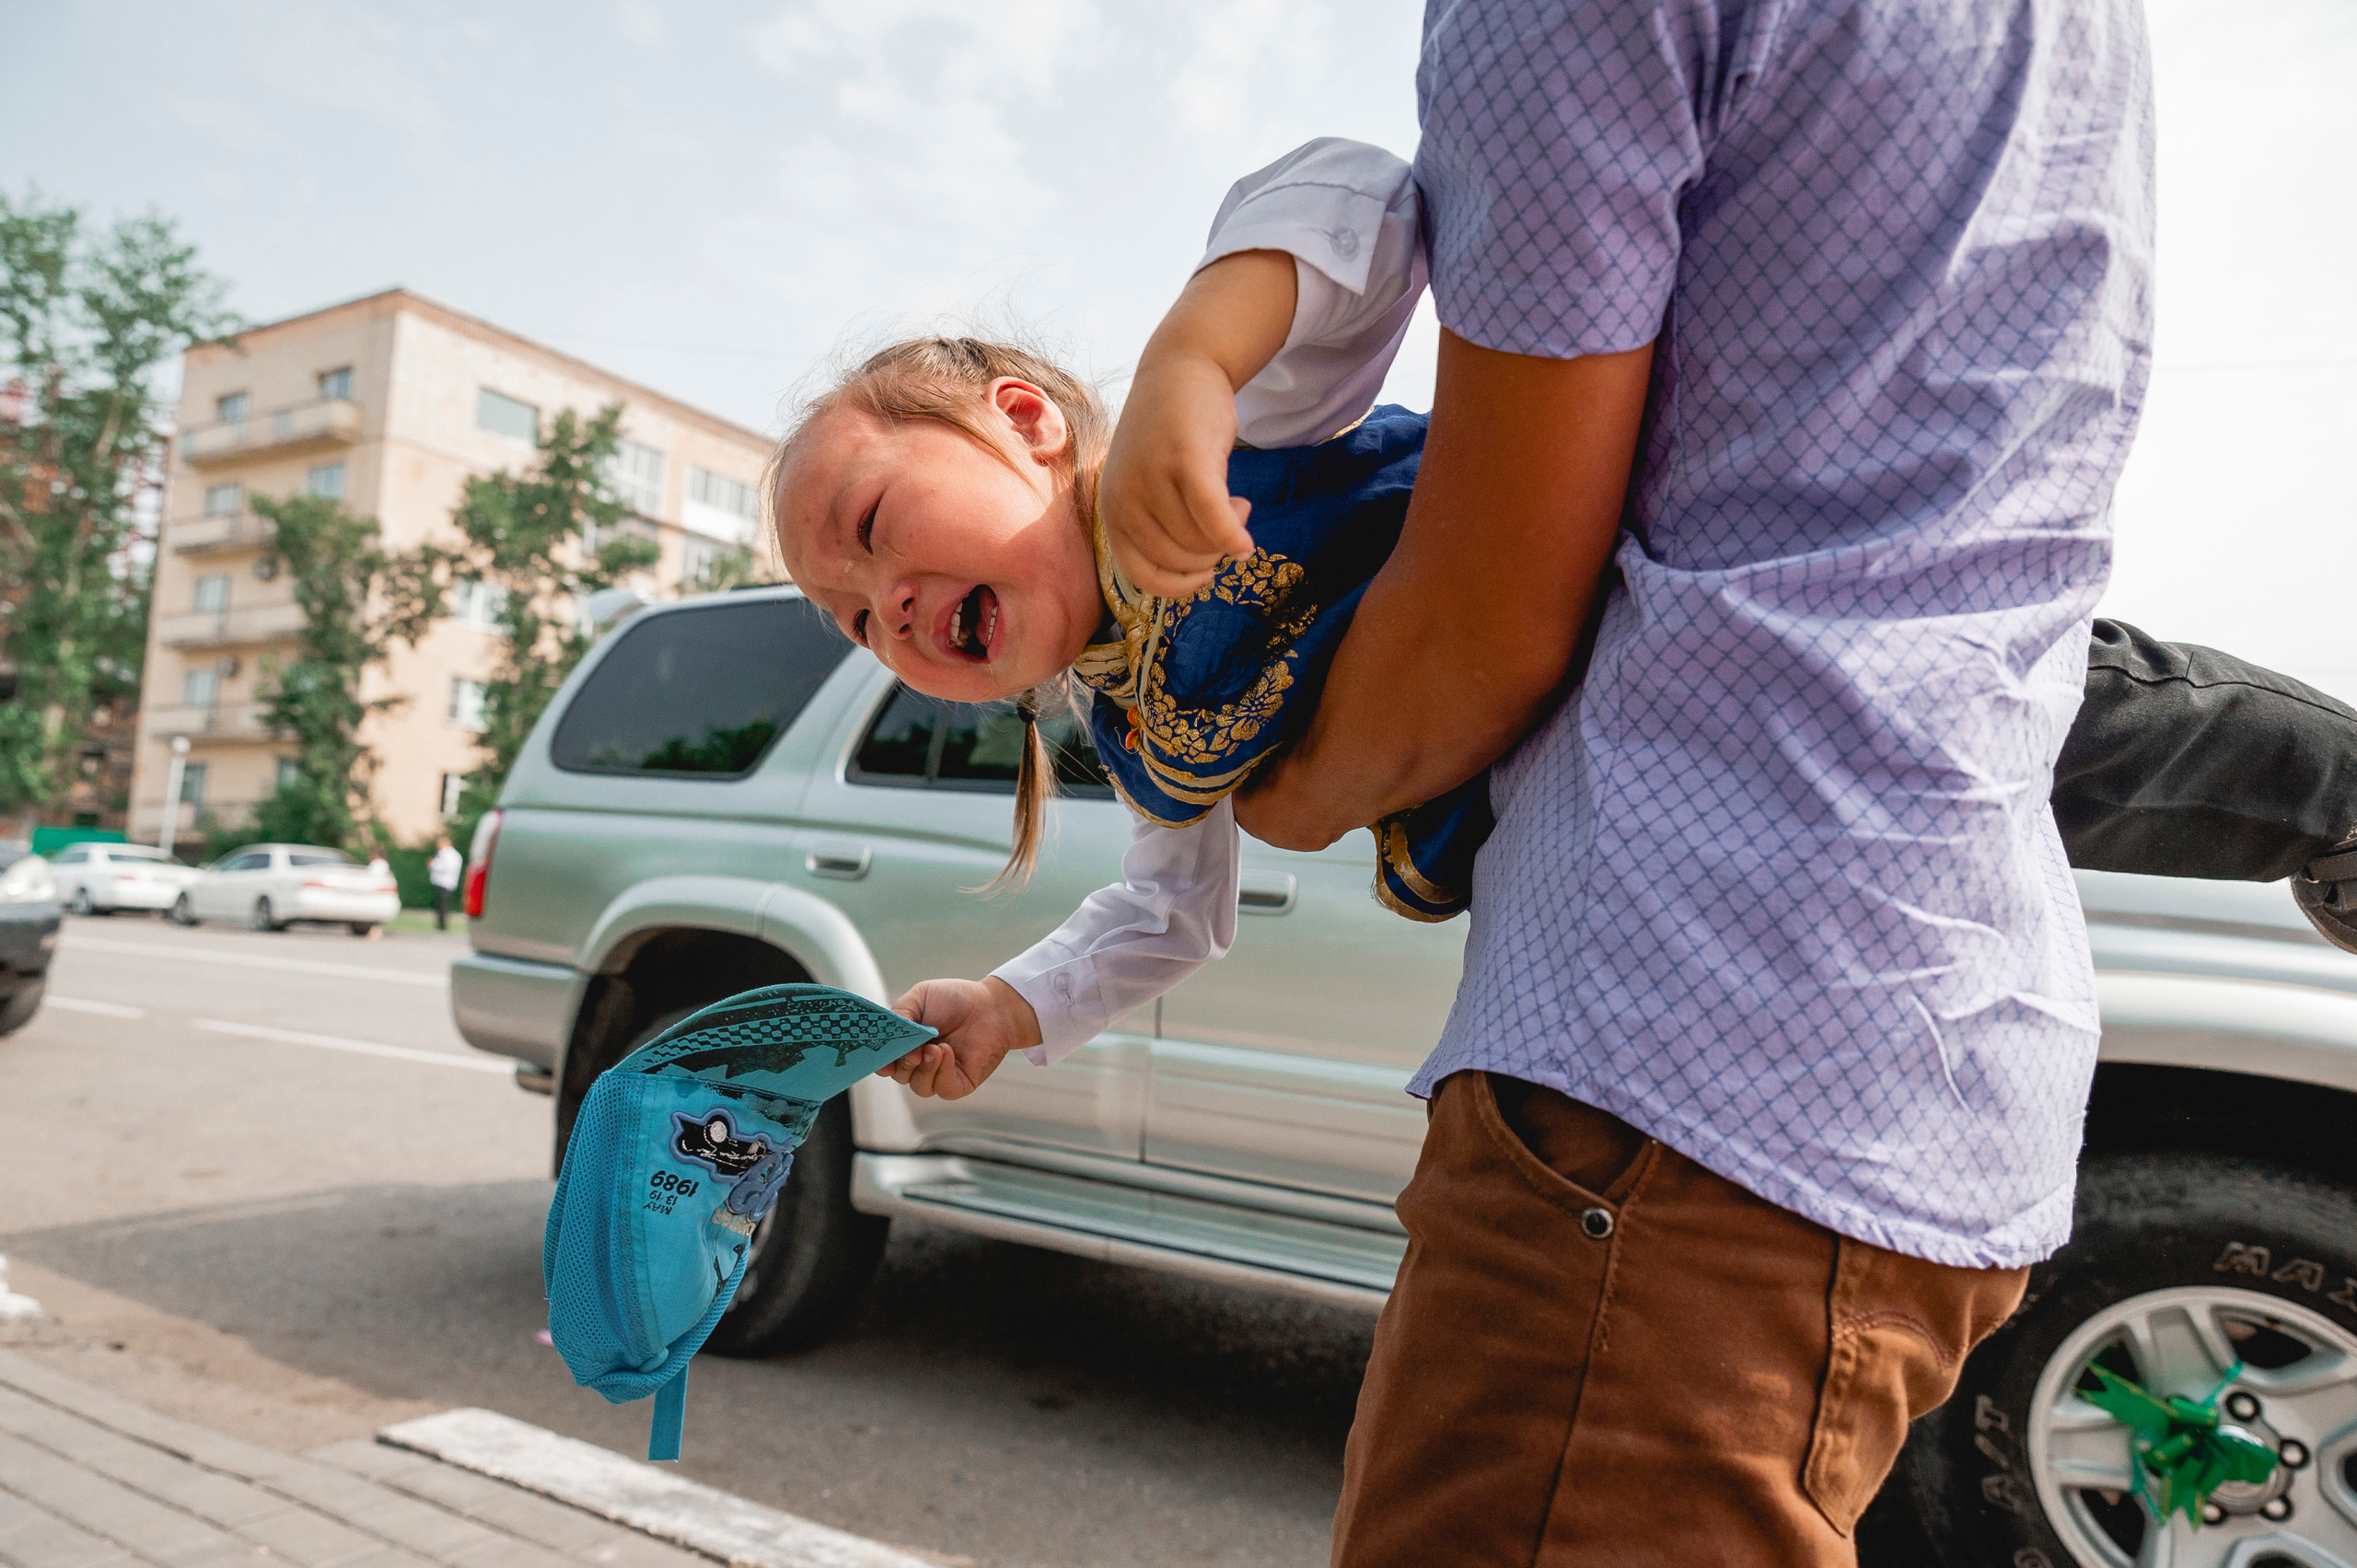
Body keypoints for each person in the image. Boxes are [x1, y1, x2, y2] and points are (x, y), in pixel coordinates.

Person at [1097, 5, 2157, 1562]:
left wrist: (1297, 788)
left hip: (1683, 1064)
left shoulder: (1210, 513)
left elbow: (1484, 617)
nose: (892, 616)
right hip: (1935, 1015)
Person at [427, 834, 462, 933]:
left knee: (442, 905)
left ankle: (442, 925)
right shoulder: (453, 854)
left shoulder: (446, 854)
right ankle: (441, 924)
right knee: (442, 905)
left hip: (443, 882)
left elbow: (446, 867)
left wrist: (433, 865)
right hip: (447, 882)